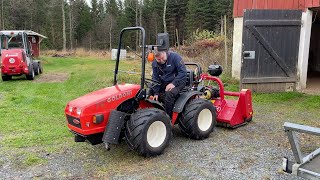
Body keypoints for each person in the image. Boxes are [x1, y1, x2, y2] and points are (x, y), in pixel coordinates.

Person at [151, 49, 187, 117]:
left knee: (169, 93)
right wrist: (156, 92)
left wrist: (173, 83)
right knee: (150, 91)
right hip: (164, 82)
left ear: (165, 52)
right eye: (158, 59)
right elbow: (155, 78)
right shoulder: (154, 63)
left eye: (162, 58)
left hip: (179, 81)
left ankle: (168, 117)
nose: (161, 61)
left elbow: (183, 72)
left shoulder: (175, 57)